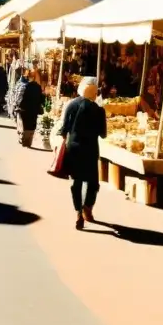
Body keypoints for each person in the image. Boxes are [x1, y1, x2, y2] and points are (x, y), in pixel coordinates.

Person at [59, 77, 107, 230]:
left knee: (77, 182)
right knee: (93, 183)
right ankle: (88, 208)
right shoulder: (99, 110)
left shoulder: (71, 104)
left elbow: (64, 129)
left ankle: (78, 213)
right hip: (91, 150)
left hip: (74, 148)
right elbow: (103, 134)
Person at [13, 71, 44, 146]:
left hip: (26, 109)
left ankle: (25, 141)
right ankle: (29, 142)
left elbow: (24, 97)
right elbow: (41, 99)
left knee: (26, 125)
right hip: (34, 110)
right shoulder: (38, 87)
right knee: (32, 126)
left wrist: (20, 106)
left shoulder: (27, 86)